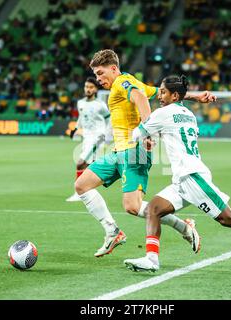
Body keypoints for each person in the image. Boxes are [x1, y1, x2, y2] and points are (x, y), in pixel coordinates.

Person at [124, 75, 231, 273]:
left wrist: (137, 122)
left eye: (163, 91)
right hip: (183, 178)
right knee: (154, 209)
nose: (159, 95)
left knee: (228, 218)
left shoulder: (163, 113)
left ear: (175, 95)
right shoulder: (189, 114)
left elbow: (137, 134)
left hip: (193, 177)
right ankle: (152, 259)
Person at [74, 49, 216, 257]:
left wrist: (148, 132)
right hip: (118, 151)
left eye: (101, 73)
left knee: (132, 206)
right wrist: (194, 96)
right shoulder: (129, 81)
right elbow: (155, 92)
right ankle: (112, 231)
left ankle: (185, 227)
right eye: (96, 74)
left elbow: (140, 97)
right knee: (82, 185)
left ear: (113, 69)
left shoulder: (122, 84)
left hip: (134, 151)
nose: (98, 79)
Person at [66, 77, 111, 202]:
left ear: (96, 89)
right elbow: (81, 118)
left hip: (98, 137)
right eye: (86, 87)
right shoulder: (81, 103)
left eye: (91, 87)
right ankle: (87, 190)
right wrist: (75, 129)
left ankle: (78, 192)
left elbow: (109, 120)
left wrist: (107, 136)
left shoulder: (100, 105)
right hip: (87, 137)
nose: (88, 89)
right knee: (90, 165)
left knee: (80, 163)